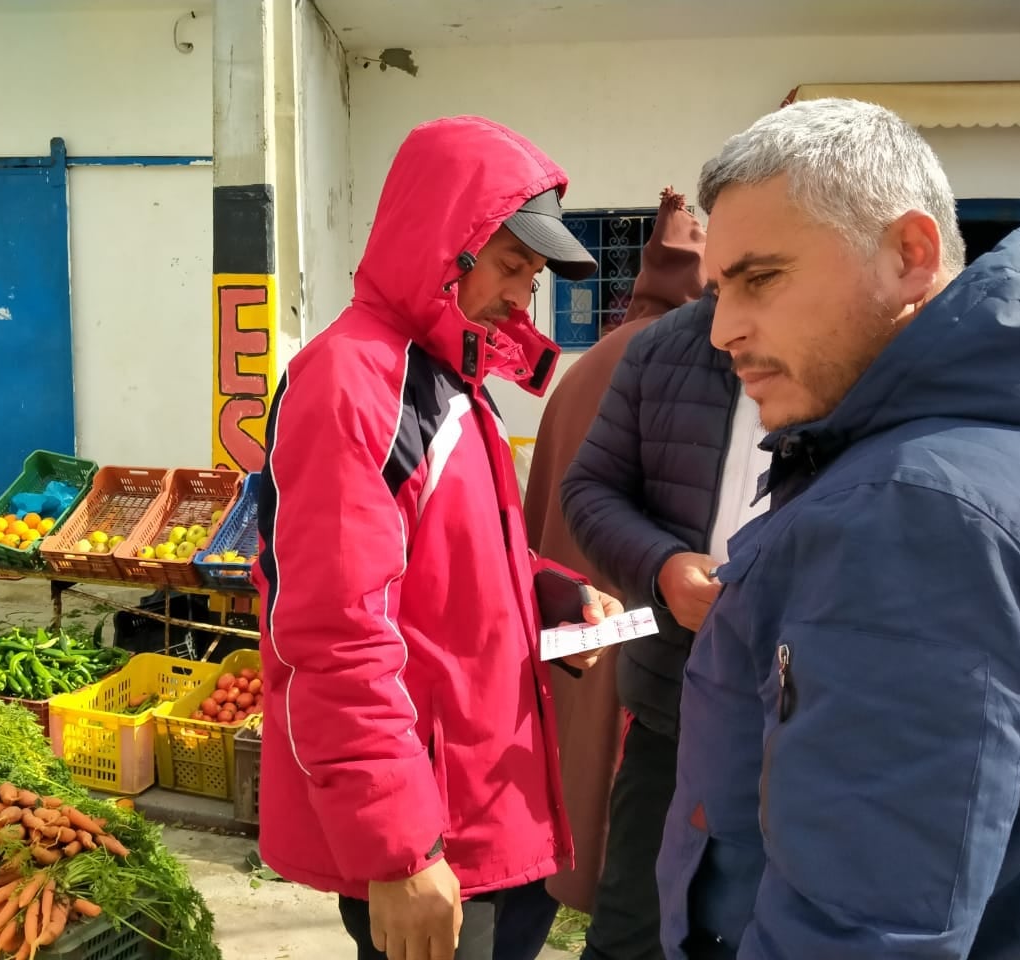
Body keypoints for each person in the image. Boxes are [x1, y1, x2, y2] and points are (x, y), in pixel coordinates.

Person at [657, 96, 1020, 960]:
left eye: (760, 278)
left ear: (910, 255)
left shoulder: (920, 513)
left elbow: (860, 934)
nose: (724, 329)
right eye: (717, 290)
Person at [252, 115, 623, 960]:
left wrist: (551, 593)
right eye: (510, 264)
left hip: (493, 812)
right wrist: (400, 851)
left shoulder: (450, 379)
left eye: (533, 275)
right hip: (436, 836)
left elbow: (450, 561)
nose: (523, 294)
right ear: (444, 245)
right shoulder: (353, 383)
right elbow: (335, 629)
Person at [554, 191, 771, 957]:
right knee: (635, 926)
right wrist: (664, 567)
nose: (733, 320)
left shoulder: (852, 357)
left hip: (800, 718)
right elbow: (587, 488)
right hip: (668, 698)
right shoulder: (660, 352)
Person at [510, 187, 710, 943]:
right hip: (636, 618)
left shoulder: (586, 364)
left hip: (566, 615)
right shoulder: (682, 374)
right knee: (624, 793)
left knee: (567, 768)